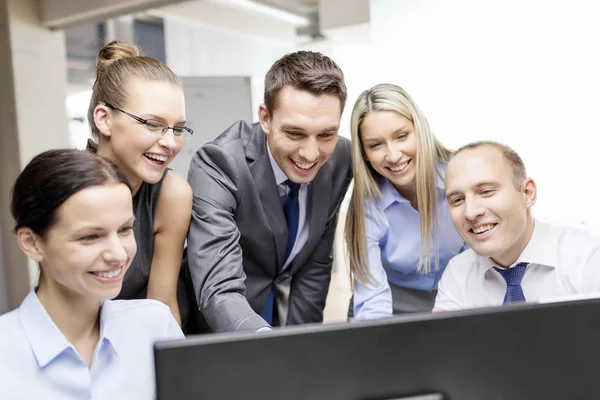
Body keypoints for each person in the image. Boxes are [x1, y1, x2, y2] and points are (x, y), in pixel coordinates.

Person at [184, 50, 352, 333]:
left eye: (326, 134)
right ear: (265, 118)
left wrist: (299, 352)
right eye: (295, 133)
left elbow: (315, 266)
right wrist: (265, 347)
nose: (311, 154)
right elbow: (218, 287)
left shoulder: (340, 157)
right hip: (217, 329)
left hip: (280, 319)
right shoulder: (219, 162)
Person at [0, 149, 183, 398]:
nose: (118, 254)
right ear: (32, 243)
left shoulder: (154, 326)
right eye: (90, 237)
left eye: (124, 229)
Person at [87, 41, 193, 325]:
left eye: (178, 129)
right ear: (104, 119)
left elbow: (161, 307)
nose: (170, 142)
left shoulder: (172, 194)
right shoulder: (68, 191)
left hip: (140, 342)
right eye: (152, 124)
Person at [346, 83, 466, 320]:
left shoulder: (461, 175)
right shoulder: (367, 205)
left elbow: (485, 261)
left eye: (401, 136)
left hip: (458, 301)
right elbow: (373, 301)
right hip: (390, 306)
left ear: (419, 130)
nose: (393, 155)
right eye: (376, 145)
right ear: (365, 154)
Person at [434, 141, 600, 311]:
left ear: (527, 194)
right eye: (457, 200)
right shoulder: (458, 275)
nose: (470, 212)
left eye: (486, 192)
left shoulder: (588, 259)